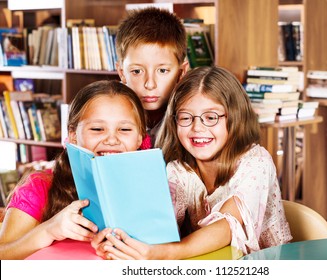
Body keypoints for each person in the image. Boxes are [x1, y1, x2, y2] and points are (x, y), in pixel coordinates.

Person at [91, 66, 292, 260]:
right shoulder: (178, 170)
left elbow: (227, 227)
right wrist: (118, 242)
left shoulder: (256, 161)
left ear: (236, 117)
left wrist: (162, 254)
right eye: (186, 117)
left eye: (211, 117)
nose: (197, 128)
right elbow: (157, 223)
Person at [0, 80, 147, 259]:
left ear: (140, 137)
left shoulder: (150, 186)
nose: (111, 139)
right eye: (97, 129)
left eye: (124, 129)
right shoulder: (40, 186)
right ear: (73, 136)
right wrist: (49, 230)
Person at [115, 7, 189, 146]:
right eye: (137, 71)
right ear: (121, 72)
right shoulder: (109, 115)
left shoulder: (190, 121)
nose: (150, 84)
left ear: (181, 73)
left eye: (162, 71)